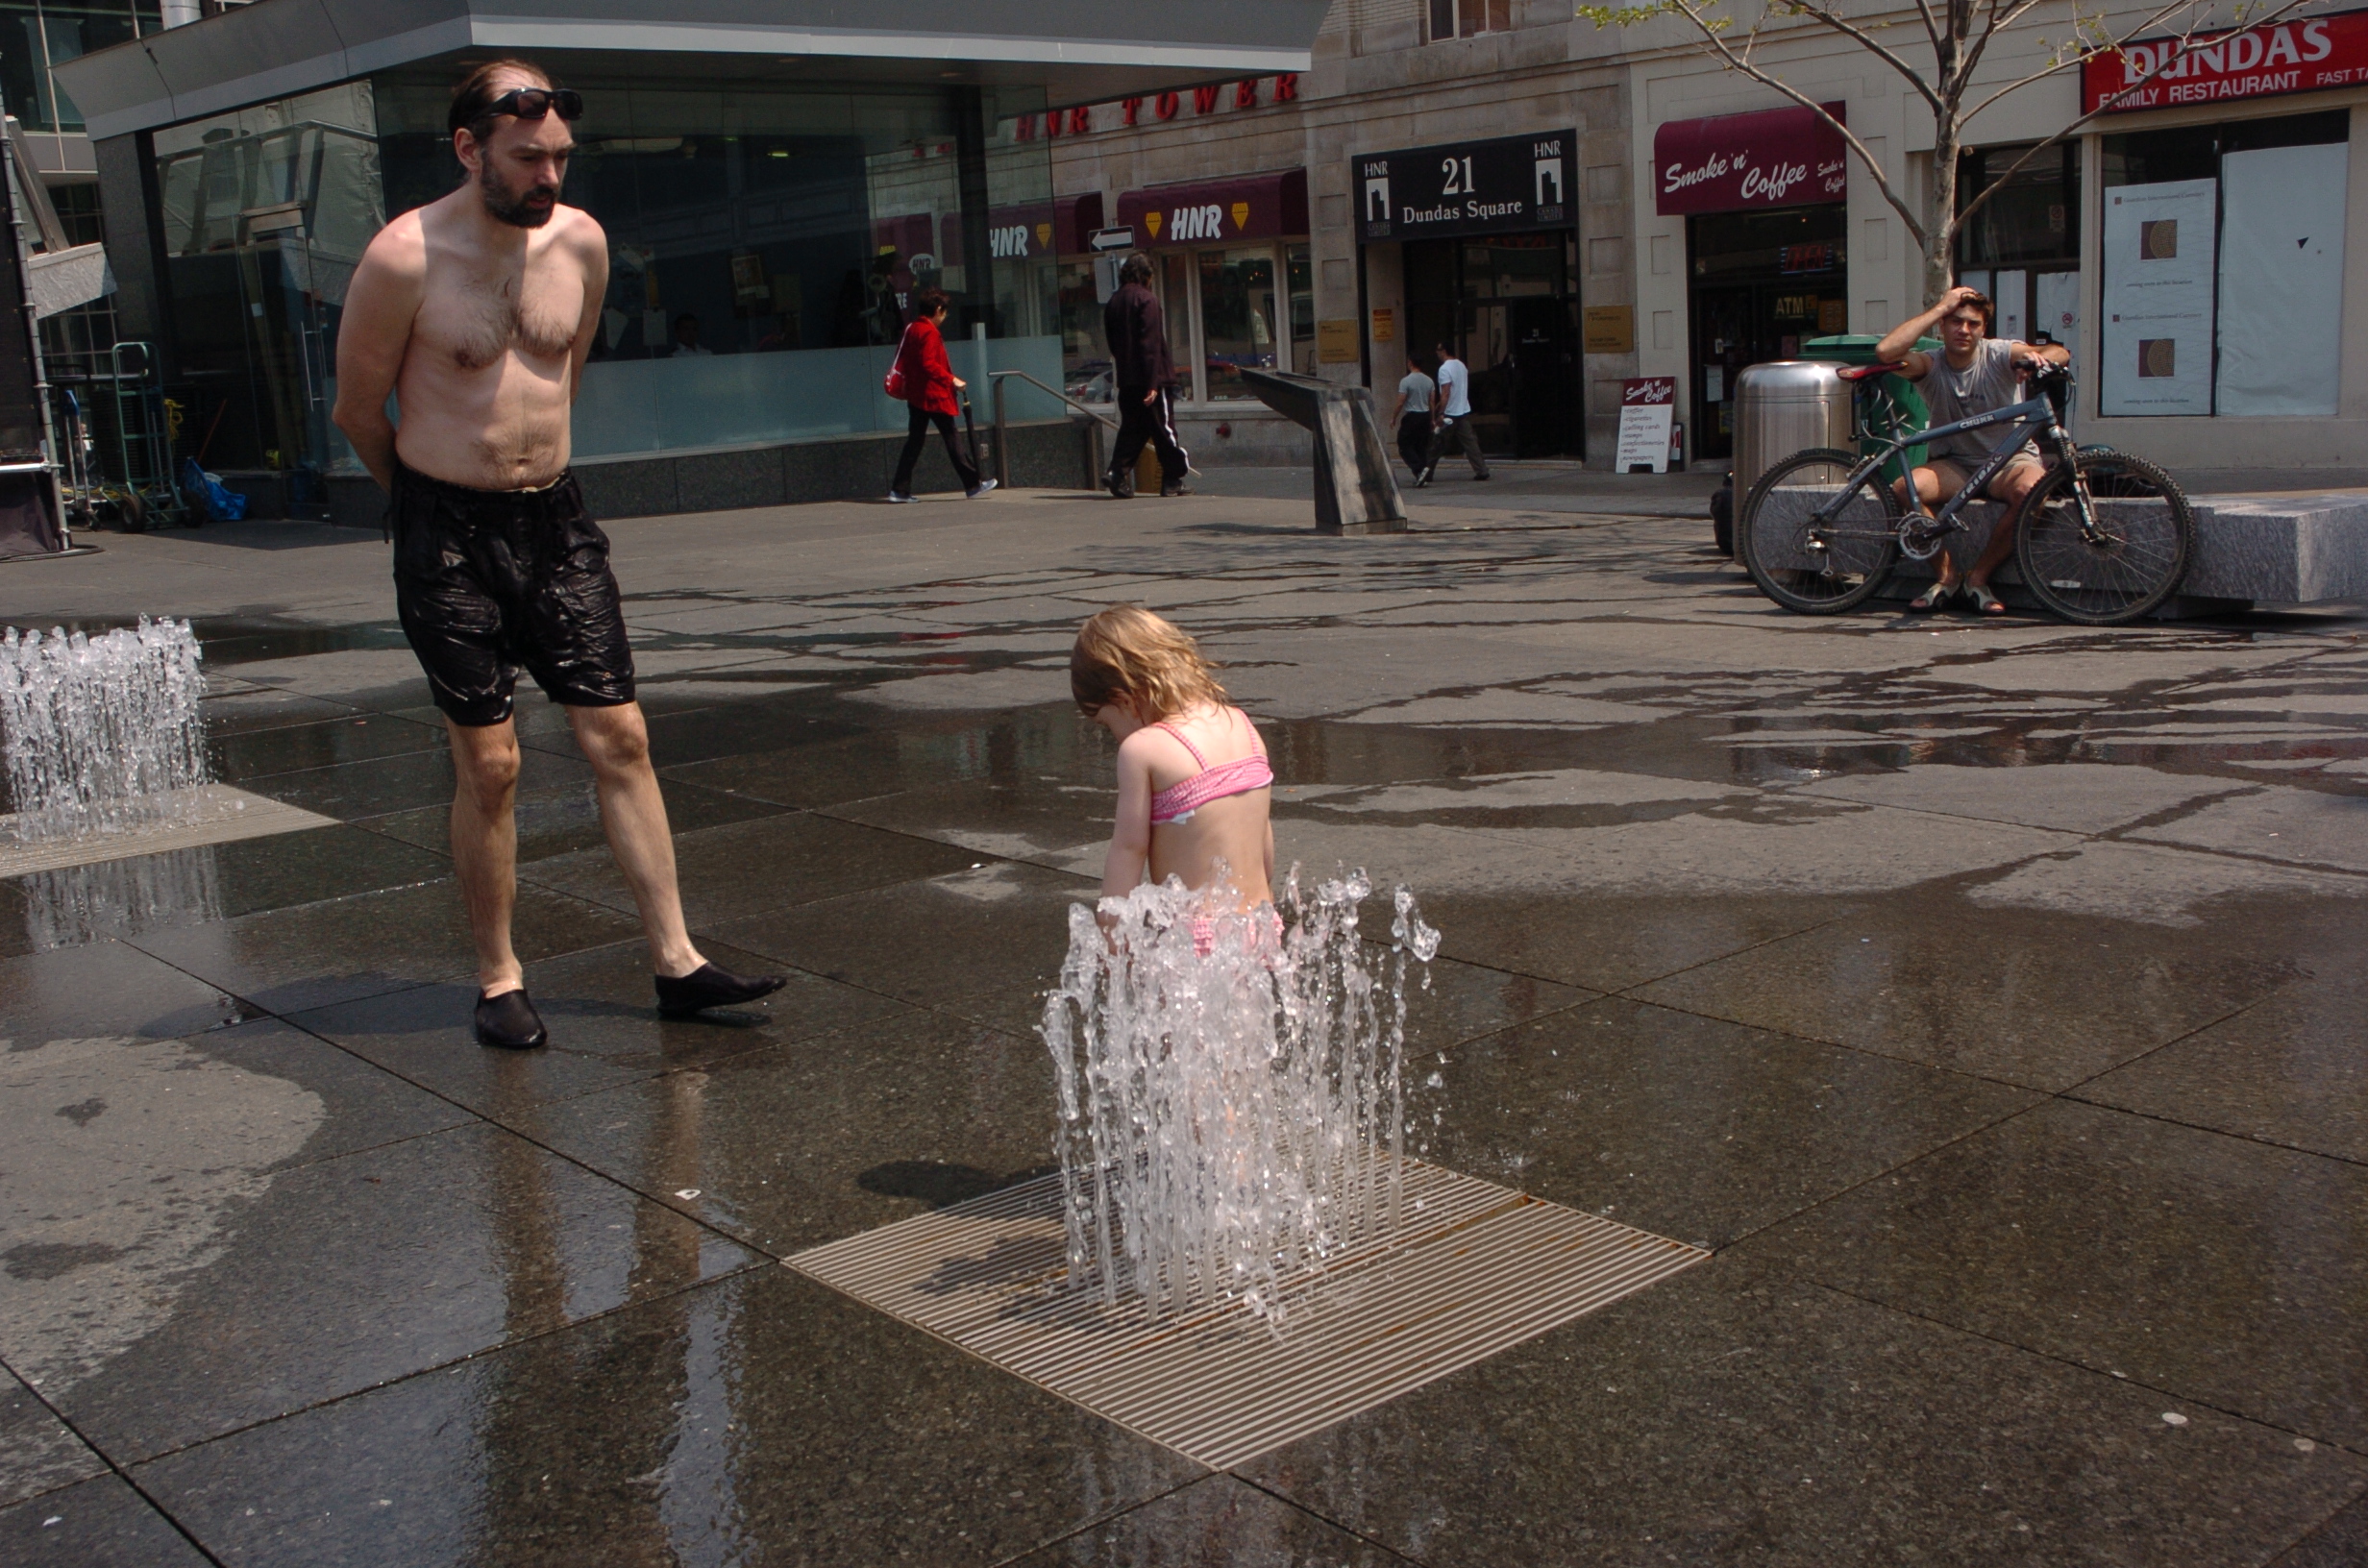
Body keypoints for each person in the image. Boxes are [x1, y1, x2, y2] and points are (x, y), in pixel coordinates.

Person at [332, 59, 783, 1050]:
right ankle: (499, 978)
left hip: (555, 521)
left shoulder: (580, 241)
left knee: (621, 737)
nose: (549, 177)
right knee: (491, 764)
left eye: (560, 159)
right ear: (469, 148)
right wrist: (426, 507)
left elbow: (563, 373)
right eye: (528, 158)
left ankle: (677, 961)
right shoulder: (403, 257)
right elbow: (358, 410)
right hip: (445, 530)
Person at [1877, 285, 2070, 616]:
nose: (1964, 330)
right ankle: (1947, 576)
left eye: (1973, 324)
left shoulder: (1999, 353)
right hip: (1955, 464)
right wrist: (1940, 307)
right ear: (1942, 326)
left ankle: (1978, 578)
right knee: (1905, 488)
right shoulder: (1931, 363)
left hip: (2010, 460)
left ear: (1983, 329)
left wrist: (2038, 360)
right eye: (1955, 321)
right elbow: (1886, 352)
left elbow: (2059, 352)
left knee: (2031, 491)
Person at [1072, 605, 1273, 914]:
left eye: (1106, 724)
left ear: (1124, 701)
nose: (1114, 737)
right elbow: (1262, 842)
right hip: (1260, 922)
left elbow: (1129, 850)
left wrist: (1109, 934)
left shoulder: (1142, 749)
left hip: (1195, 932)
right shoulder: (1241, 724)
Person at [888, 287, 995, 503]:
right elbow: (929, 364)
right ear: (938, 309)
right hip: (933, 395)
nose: (944, 317)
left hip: (916, 394)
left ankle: (899, 489)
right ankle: (973, 484)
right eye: (944, 312)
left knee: (915, 442)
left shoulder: (913, 328)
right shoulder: (929, 332)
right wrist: (952, 379)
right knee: (951, 437)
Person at [1101, 254, 1191, 499]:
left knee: (1133, 428)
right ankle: (1172, 478)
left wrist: (1126, 366)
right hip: (1152, 378)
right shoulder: (1146, 300)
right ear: (1146, 276)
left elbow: (1113, 343)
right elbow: (1150, 344)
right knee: (1164, 429)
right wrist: (1153, 383)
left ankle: (1116, 473)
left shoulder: (1114, 302)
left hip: (1127, 378)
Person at [1420, 339, 1489, 485]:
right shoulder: (1461, 366)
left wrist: (1441, 413)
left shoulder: (1444, 369)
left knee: (1437, 443)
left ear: (1444, 351)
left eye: (1439, 350)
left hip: (1450, 413)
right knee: (1470, 443)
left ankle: (1427, 473)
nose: (1437, 353)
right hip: (1463, 410)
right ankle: (1482, 470)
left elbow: (1446, 392)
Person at [1391, 354, 1435, 477]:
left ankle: (1418, 468)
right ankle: (1423, 474)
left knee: (1404, 443)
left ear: (1410, 362)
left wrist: (1393, 417)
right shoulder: (1429, 380)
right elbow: (1432, 402)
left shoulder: (1406, 381)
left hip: (1412, 416)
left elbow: (1400, 402)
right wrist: (1432, 419)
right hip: (1425, 415)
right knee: (1421, 445)